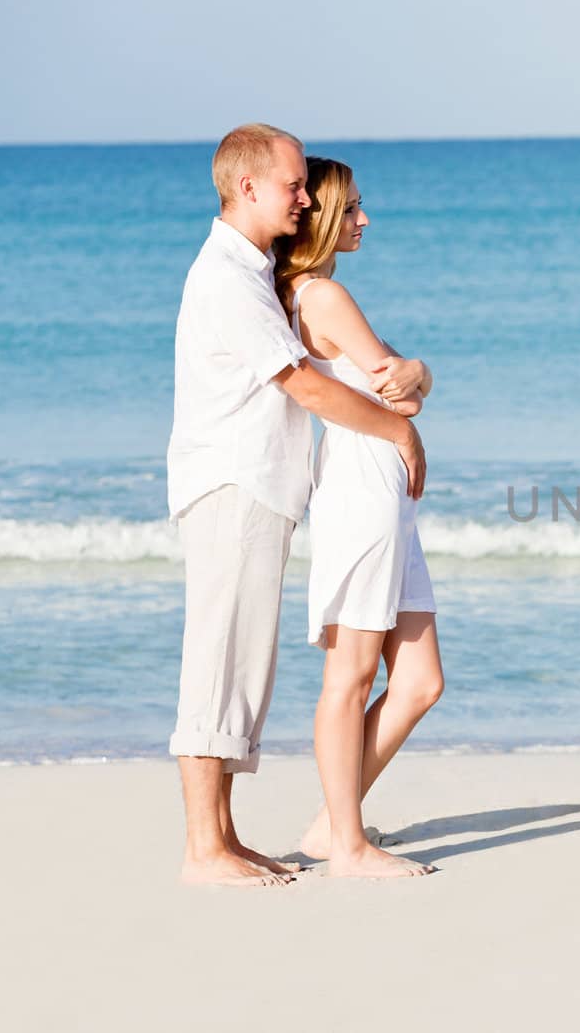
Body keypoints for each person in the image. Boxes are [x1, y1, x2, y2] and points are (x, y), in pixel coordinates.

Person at [167, 124, 428, 887]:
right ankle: (202, 850)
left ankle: (224, 837)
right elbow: (303, 384)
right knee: (217, 662)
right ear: (247, 187)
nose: (305, 197)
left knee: (244, 663)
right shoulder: (228, 278)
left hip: (260, 486)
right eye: (293, 185)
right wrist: (400, 435)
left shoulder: (250, 274)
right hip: (233, 484)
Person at [274, 157, 443, 879]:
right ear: (320, 220)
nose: (364, 220)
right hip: (362, 489)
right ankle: (348, 842)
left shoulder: (306, 296)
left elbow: (405, 380)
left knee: (419, 681)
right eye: (352, 210)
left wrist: (418, 370)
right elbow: (401, 396)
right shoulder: (321, 296)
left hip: (377, 489)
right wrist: (420, 375)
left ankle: (329, 823)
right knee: (351, 675)